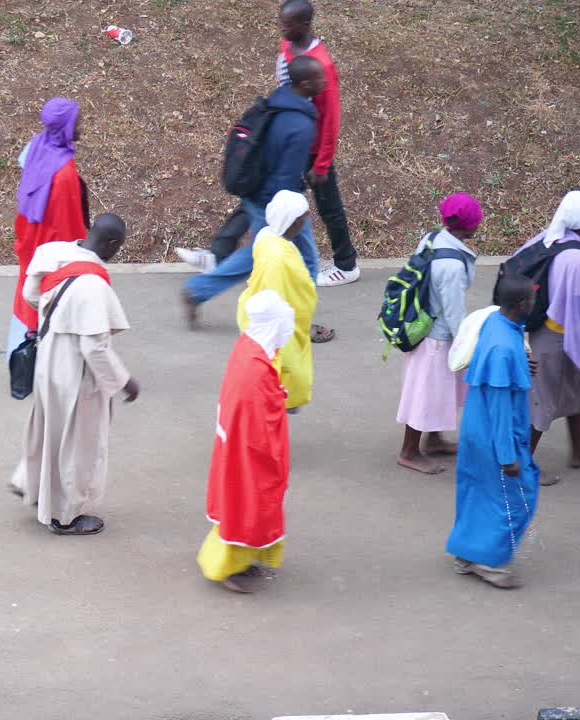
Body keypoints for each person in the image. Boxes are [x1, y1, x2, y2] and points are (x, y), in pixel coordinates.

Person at [178, 0, 358, 287]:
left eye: (287, 24)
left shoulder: (320, 63)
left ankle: (346, 265)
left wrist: (322, 163)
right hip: (286, 138)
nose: (281, 27)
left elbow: (331, 117)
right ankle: (218, 253)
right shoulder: (289, 44)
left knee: (327, 206)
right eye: (281, 21)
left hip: (309, 148)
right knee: (259, 195)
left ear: (305, 25)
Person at [182, 56, 334, 343]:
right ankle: (300, 323)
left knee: (255, 255)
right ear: (305, 83)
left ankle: (197, 290)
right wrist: (286, 214)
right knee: (308, 261)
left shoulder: (279, 102)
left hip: (257, 193)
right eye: (319, 78)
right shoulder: (301, 126)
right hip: (275, 203)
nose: (324, 82)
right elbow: (287, 181)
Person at [10, 214, 140, 536]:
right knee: (75, 442)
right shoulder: (93, 285)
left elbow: (31, 292)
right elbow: (94, 348)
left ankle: (30, 483)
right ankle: (64, 516)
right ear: (112, 244)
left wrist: (60, 314)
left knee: (47, 429)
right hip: (73, 368)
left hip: (47, 355)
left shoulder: (52, 253)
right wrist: (124, 381)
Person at [446, 274, 540, 589]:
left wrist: (520, 367)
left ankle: (464, 554)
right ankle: (488, 561)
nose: (535, 300)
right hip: (495, 435)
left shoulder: (496, 323)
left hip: (477, 427)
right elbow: (500, 407)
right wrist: (507, 456)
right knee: (516, 496)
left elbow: (497, 368)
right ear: (521, 303)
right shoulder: (503, 348)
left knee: (477, 492)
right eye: (532, 297)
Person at [198, 289, 295, 593]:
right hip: (249, 453)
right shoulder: (255, 367)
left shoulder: (250, 347)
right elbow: (256, 421)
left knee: (241, 504)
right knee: (247, 506)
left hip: (238, 447)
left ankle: (242, 557)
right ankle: (230, 566)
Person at [396, 193, 482, 474]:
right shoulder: (453, 266)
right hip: (436, 338)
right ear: (468, 226)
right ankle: (409, 451)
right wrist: (468, 345)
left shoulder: (434, 237)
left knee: (438, 392)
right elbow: (455, 313)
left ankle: (433, 440)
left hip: (425, 329)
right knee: (425, 394)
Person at [7, 97, 89, 355]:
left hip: (29, 239)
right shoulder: (63, 174)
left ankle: (18, 351)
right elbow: (68, 226)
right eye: (77, 122)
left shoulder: (37, 146)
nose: (82, 127)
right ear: (65, 127)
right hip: (50, 247)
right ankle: (42, 360)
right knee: (48, 300)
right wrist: (81, 255)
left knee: (26, 294)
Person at [523, 190, 580, 479]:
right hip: (558, 336)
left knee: (576, 388)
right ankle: (521, 468)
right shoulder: (576, 259)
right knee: (542, 402)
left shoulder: (548, 237)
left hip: (543, 328)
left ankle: (577, 449)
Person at [235, 190, 317, 411]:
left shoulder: (267, 238)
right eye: (303, 217)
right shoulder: (278, 258)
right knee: (286, 377)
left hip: (280, 323)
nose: (307, 220)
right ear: (291, 222)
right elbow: (273, 296)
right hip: (276, 330)